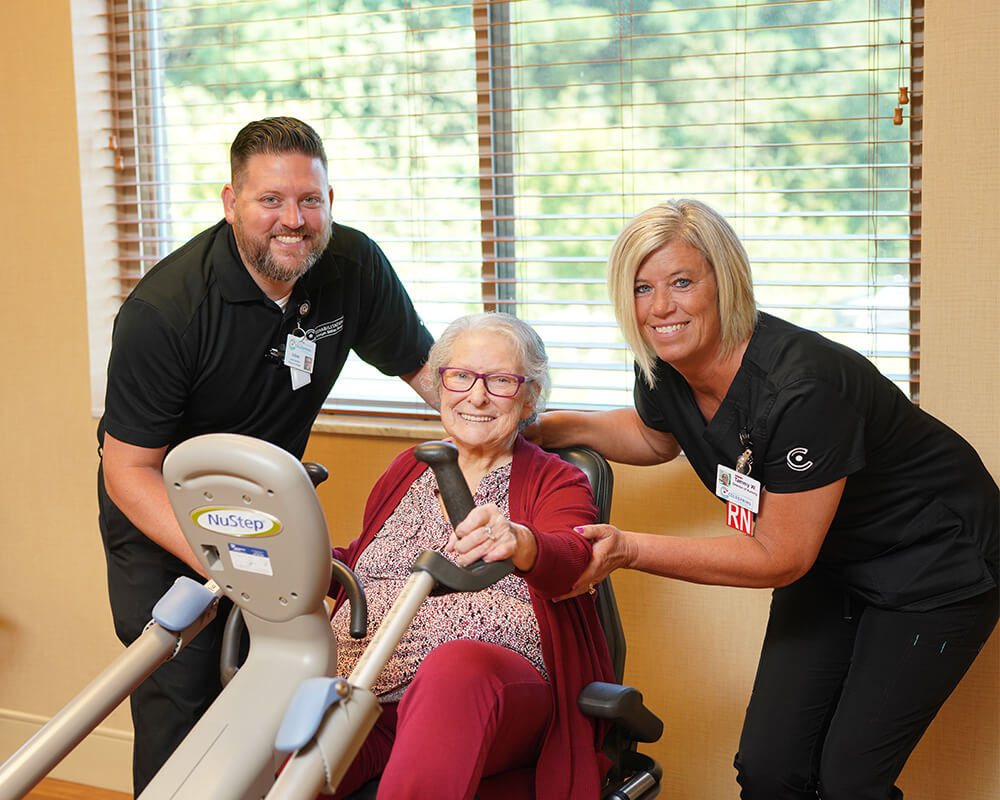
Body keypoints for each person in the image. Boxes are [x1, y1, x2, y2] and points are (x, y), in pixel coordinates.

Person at [528, 199, 999, 800]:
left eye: (681, 282)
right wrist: (549, 428)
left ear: (724, 281)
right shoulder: (667, 363)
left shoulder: (803, 388)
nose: (661, 307)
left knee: (851, 782)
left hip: (934, 563)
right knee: (770, 768)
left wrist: (627, 549)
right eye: (643, 289)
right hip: (831, 558)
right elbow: (655, 436)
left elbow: (782, 557)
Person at [97, 116, 439, 794]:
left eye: (310, 200)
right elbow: (127, 470)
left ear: (330, 202)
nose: (294, 219)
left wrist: (507, 412)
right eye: (271, 201)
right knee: (183, 705)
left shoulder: (351, 268)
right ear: (231, 204)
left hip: (267, 514)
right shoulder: (166, 312)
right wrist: (221, 564)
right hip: (164, 518)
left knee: (280, 693)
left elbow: (430, 372)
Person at [325, 312, 615, 799]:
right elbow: (363, 560)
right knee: (270, 745)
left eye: (500, 381)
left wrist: (522, 541)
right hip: (368, 694)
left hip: (488, 700)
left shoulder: (557, 480)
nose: (476, 396)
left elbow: (574, 557)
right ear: (440, 386)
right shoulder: (408, 469)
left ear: (528, 399)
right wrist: (294, 557)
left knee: (454, 668)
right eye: (460, 376)